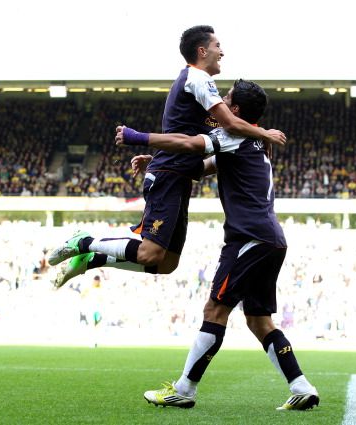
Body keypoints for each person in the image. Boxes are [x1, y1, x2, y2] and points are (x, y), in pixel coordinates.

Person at [116, 79, 319, 411]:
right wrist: (155, 160)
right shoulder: (252, 142)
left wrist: (139, 137)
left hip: (248, 238)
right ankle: (301, 385)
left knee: (215, 311)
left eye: (226, 98)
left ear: (235, 111)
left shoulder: (231, 135)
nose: (221, 101)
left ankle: (184, 389)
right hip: (271, 240)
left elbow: (191, 146)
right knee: (259, 321)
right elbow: (199, 167)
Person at [48, 25, 286, 287]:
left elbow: (204, 148)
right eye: (218, 46)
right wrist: (264, 133)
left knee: (166, 263)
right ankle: (84, 242)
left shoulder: (203, 89)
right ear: (202, 50)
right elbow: (211, 132)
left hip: (177, 173)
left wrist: (155, 158)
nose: (222, 52)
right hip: (169, 173)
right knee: (150, 252)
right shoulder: (198, 78)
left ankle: (93, 260)